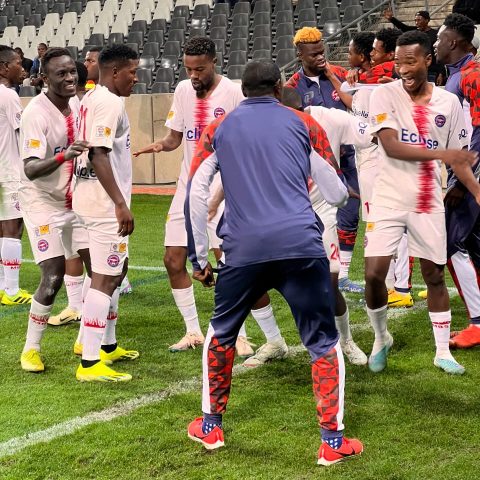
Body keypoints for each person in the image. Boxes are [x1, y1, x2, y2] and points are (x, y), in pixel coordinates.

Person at [185, 60, 363, 466]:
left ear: (242, 91)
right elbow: (337, 193)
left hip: (243, 249)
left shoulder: (219, 127)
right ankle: (332, 442)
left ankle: (211, 426)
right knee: (322, 341)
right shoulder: (304, 123)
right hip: (301, 245)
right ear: (280, 87)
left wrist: (199, 255)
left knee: (221, 333)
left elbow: (196, 194)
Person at [134, 37, 288, 363]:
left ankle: (247, 335)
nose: (193, 75)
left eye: (199, 69)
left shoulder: (233, 93)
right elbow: (176, 137)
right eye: (188, 69)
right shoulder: (182, 90)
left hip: (225, 189)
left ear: (214, 62)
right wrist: (160, 145)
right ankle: (193, 331)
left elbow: (247, 142)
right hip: (187, 189)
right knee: (173, 259)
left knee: (234, 265)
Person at [365, 31, 480, 375]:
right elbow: (391, 146)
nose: (402, 69)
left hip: (429, 199)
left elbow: (459, 157)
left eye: (410, 61)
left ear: (427, 60)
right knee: (374, 274)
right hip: (388, 197)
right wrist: (442, 155)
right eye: (398, 62)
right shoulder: (383, 95)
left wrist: (476, 190)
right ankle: (381, 337)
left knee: (434, 275)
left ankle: (442, 351)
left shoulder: (448, 103)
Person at [281, 86, 368, 366]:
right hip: (284, 214)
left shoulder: (327, 118)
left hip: (322, 209)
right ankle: (274, 341)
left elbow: (369, 132)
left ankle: (347, 340)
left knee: (329, 282)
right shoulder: (267, 128)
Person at [18, 48, 91, 373]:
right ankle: (31, 350)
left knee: (102, 271)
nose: (70, 78)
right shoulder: (35, 113)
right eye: (61, 74)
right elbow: (31, 169)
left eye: (72, 71)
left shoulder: (77, 104)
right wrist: (65, 155)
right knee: (53, 276)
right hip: (41, 203)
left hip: (75, 201)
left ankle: (87, 340)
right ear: (45, 79)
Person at [73, 45, 140, 382]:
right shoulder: (111, 103)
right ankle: (89, 362)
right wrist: (119, 203)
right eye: (132, 71)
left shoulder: (91, 97)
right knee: (106, 277)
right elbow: (98, 154)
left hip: (85, 197)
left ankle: (107, 345)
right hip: (102, 204)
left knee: (115, 270)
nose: (136, 78)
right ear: (115, 72)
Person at [286, 27, 363, 294]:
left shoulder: (341, 74)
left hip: (347, 158)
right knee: (315, 219)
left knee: (350, 214)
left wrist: (334, 75)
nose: (320, 57)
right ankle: (315, 270)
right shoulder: (292, 87)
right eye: (314, 54)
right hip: (313, 164)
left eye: (322, 52)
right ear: (300, 55)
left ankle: (343, 275)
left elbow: (358, 108)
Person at [434, 13, 480, 348]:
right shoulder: (455, 76)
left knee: (453, 245)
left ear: (452, 41)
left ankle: (478, 322)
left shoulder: (471, 75)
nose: (435, 44)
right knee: (473, 245)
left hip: (469, 177)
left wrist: (464, 182)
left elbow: (479, 131)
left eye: (439, 39)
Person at [48, 61, 89, 327]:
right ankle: (75, 306)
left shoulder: (85, 105)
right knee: (70, 251)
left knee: (93, 253)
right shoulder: (59, 107)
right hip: (64, 192)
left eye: (71, 73)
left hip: (83, 190)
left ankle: (93, 313)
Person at [0, 46, 32, 306]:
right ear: (3, 67)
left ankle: (2, 286)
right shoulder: (8, 95)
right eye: (18, 63)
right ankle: (11, 290)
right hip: (9, 171)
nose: (23, 68)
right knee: (13, 227)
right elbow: (23, 134)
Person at [383, 9, 442, 83]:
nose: (417, 23)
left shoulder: (435, 34)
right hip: (417, 70)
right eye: (415, 20)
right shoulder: (415, 32)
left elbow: (440, 55)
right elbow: (403, 27)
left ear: (427, 20)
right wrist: (391, 18)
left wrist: (441, 73)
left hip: (431, 72)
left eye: (419, 20)